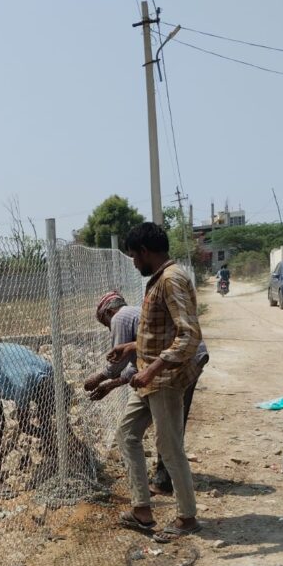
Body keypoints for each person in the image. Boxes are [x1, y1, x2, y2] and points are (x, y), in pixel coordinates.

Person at [107, 222, 203, 537]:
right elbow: (162, 333)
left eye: (134, 256)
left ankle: (187, 518)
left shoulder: (172, 280)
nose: (133, 263)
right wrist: (133, 346)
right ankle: (142, 510)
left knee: (169, 447)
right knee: (127, 434)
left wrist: (151, 368)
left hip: (164, 380)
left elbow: (188, 336)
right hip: (150, 378)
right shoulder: (158, 279)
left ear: (146, 252)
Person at [85, 290, 209, 495]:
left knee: (167, 430)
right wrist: (110, 385)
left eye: (105, 324)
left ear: (107, 313)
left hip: (179, 363)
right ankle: (164, 479)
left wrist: (98, 378)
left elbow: (119, 362)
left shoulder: (120, 317)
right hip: (191, 357)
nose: (109, 329)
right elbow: (135, 367)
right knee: (172, 426)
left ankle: (173, 493)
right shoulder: (135, 315)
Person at [0, 342, 83, 497]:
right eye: (50, 408)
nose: (51, 412)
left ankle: (51, 452)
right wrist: (45, 433)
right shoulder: (22, 387)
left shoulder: (51, 373)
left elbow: (58, 413)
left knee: (45, 416)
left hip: (12, 359)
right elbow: (24, 426)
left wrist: (72, 439)